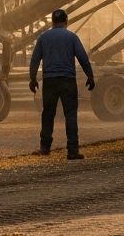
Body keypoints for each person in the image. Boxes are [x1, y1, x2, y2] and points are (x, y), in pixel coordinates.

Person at [29, 9, 95, 160]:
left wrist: (32, 79)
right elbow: (82, 57)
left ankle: (44, 147)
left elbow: (35, 60)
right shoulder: (72, 37)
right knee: (70, 115)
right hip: (67, 80)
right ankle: (72, 151)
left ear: (52, 22)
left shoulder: (43, 37)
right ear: (66, 22)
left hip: (50, 81)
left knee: (48, 114)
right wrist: (90, 75)